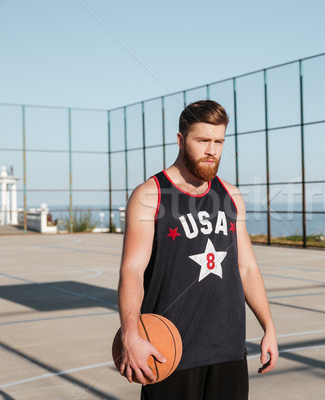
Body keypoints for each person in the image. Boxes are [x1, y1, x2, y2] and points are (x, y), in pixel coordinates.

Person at [117, 100, 278, 399]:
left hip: (228, 351)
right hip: (169, 352)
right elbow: (132, 270)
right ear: (180, 140)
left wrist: (268, 327)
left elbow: (247, 268)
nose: (212, 151)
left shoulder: (231, 195)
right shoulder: (149, 195)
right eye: (202, 140)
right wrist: (130, 333)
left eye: (218, 141)